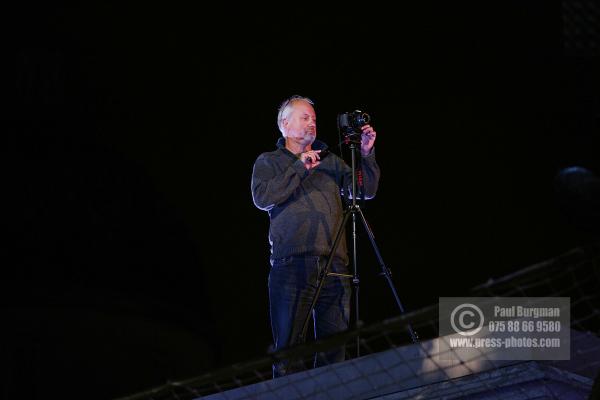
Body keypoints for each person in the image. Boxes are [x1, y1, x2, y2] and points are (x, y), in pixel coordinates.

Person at [250, 95, 380, 377]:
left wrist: (367, 155)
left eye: (314, 119)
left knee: (334, 354)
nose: (312, 123)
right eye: (304, 117)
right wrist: (299, 167)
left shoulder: (329, 161)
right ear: (284, 125)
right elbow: (262, 197)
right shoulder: (269, 161)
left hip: (335, 264)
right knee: (290, 352)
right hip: (292, 264)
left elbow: (363, 191)